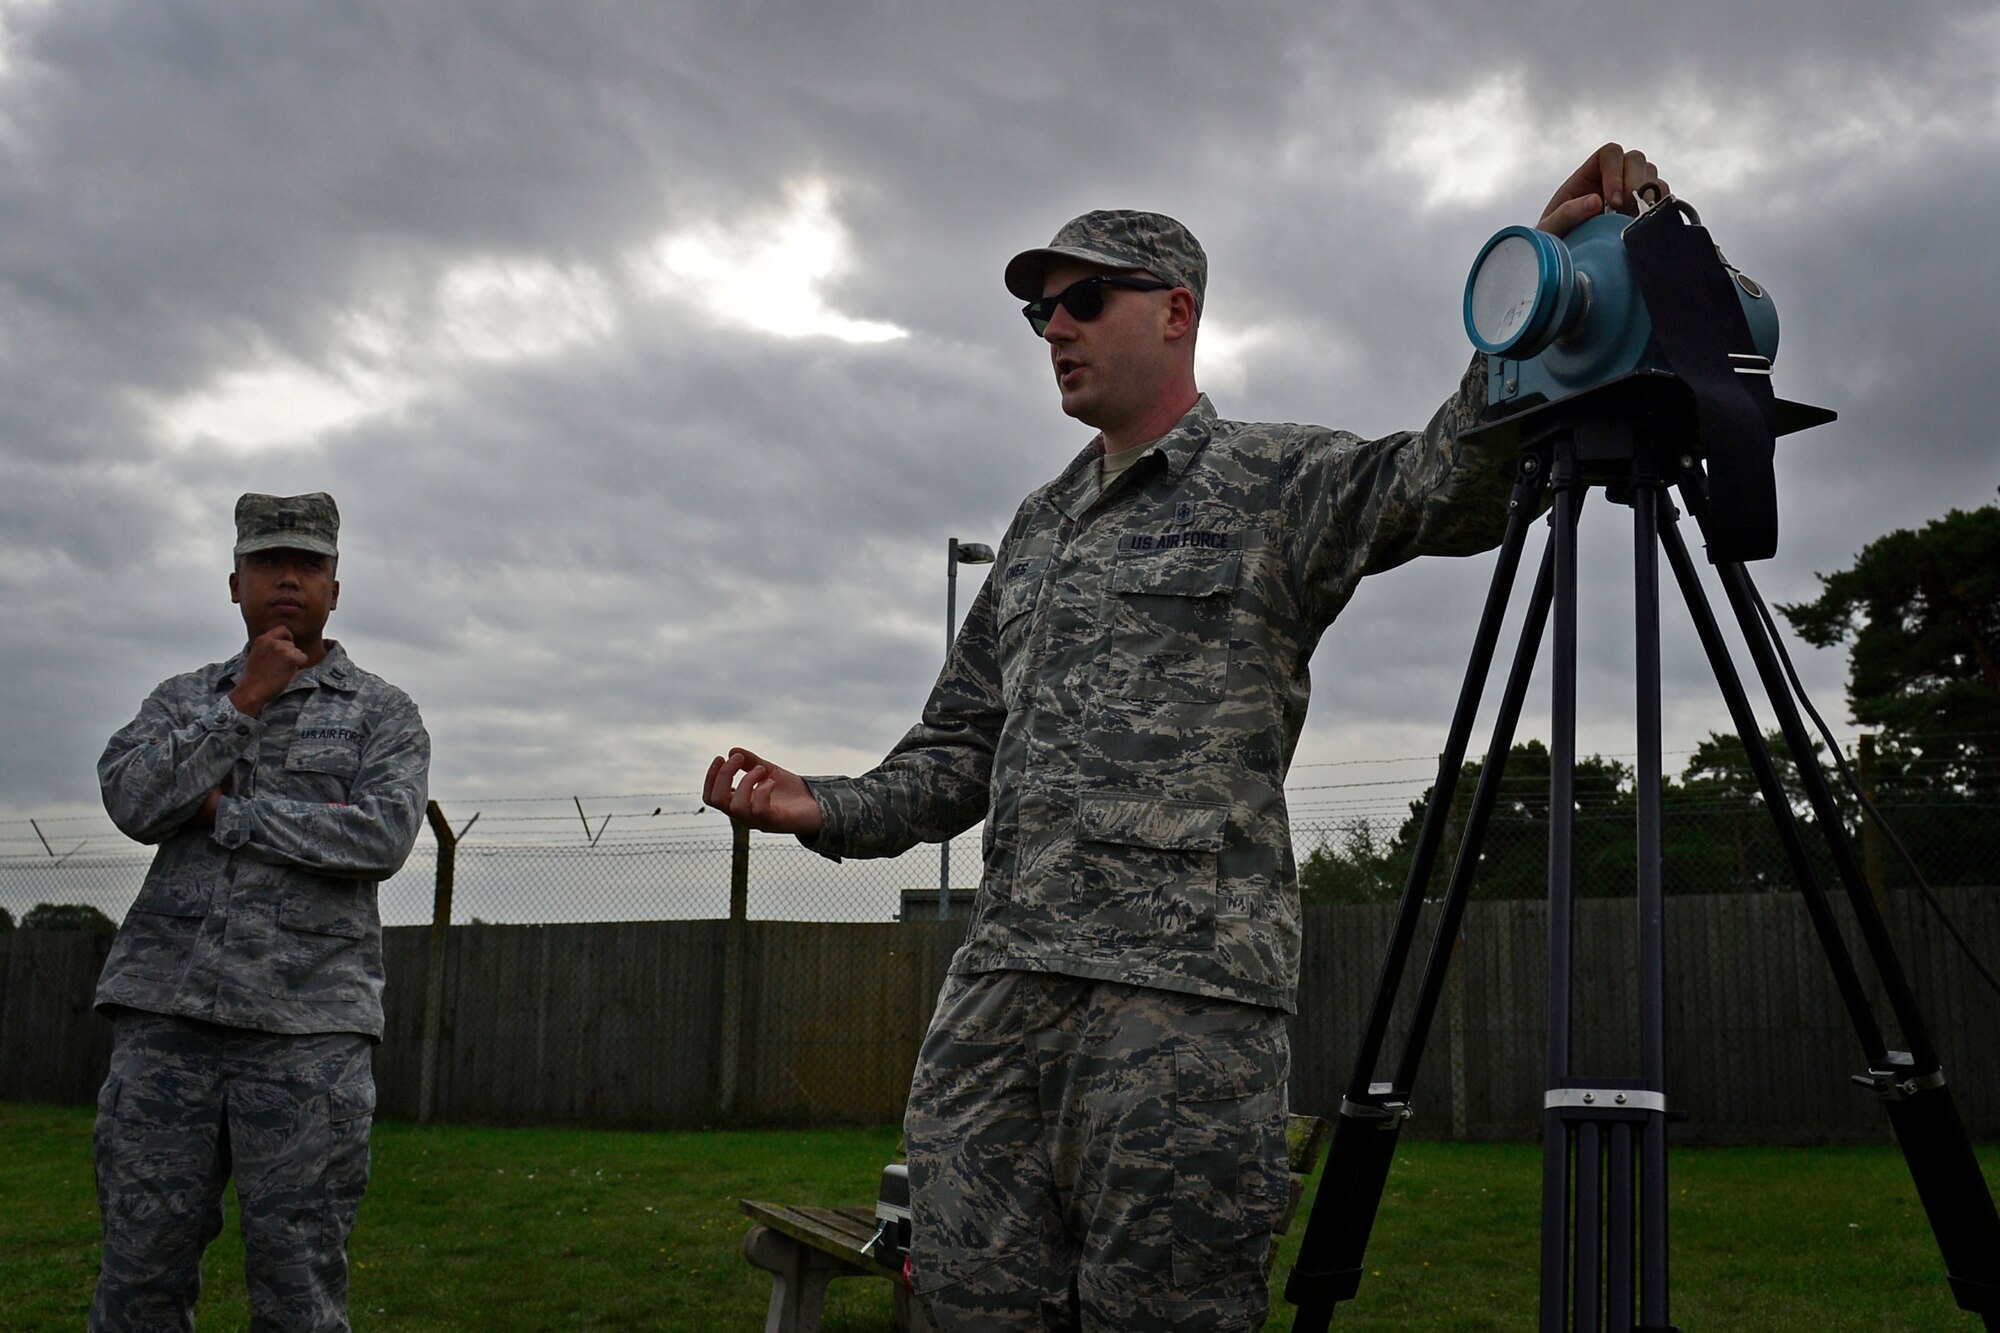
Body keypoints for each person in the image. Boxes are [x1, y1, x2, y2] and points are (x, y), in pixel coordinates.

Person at [706, 145, 1667, 1330]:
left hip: (1182, 1012)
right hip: (1001, 1000)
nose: (1051, 326)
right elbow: (957, 745)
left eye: (1080, 299)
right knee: (965, 1307)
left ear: (1174, 311)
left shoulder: (1272, 482)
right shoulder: (1038, 524)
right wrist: (823, 805)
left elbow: (1443, 484)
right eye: (1036, 309)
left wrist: (1533, 302)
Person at [92, 492, 430, 1332]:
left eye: (309, 564)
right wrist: (243, 703)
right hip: (167, 1024)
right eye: (269, 562)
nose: (289, 577)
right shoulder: (186, 699)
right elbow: (133, 797)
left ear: (335, 588)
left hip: (306, 1034)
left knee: (300, 1292)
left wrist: (224, 813)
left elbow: (380, 835)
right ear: (234, 582)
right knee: (139, 1282)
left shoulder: (382, 713)